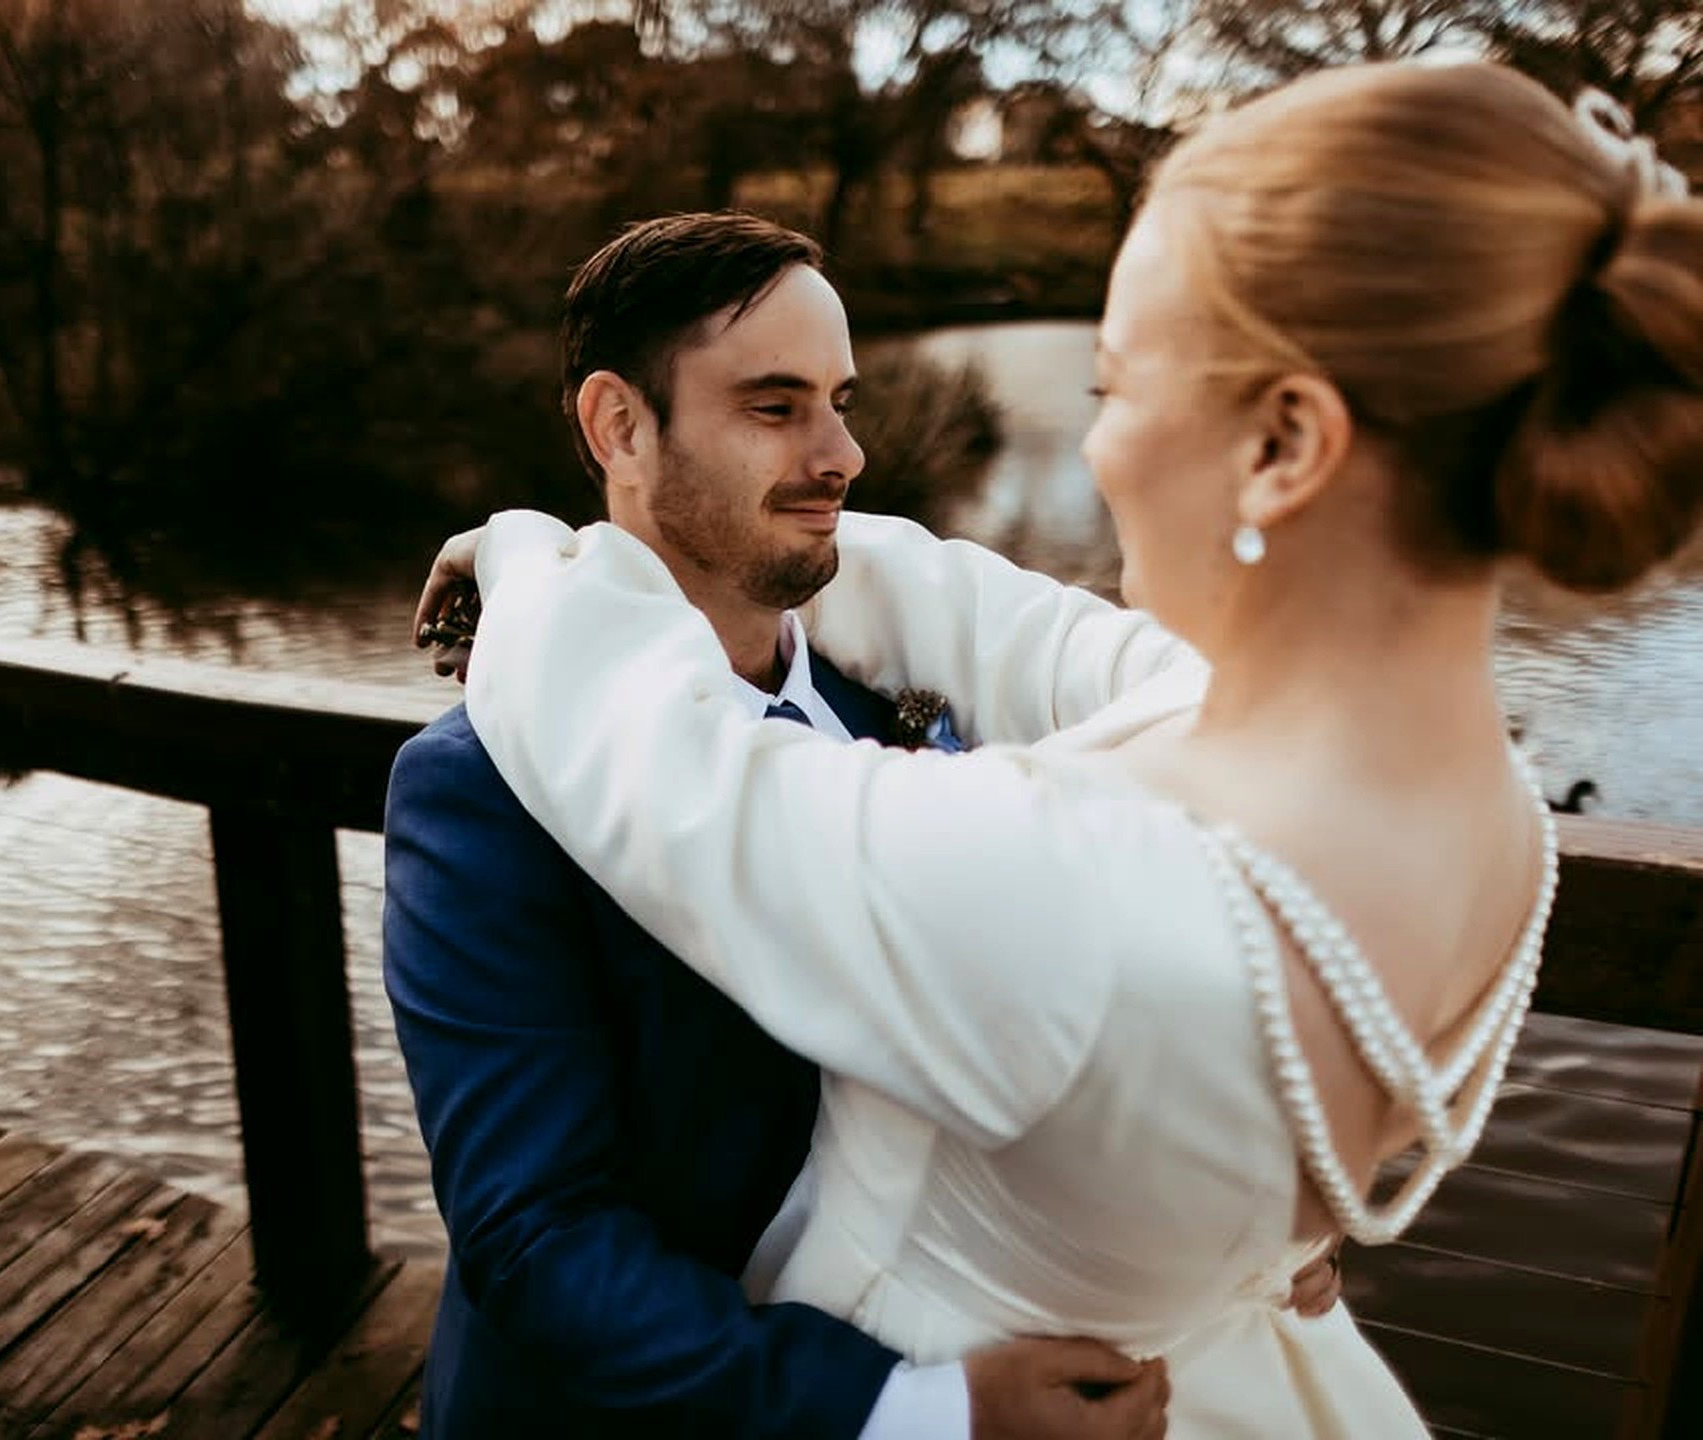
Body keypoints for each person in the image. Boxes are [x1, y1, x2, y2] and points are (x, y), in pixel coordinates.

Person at [430, 64, 1703, 1436]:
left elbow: (656, 767)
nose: (1095, 448)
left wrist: (536, 562)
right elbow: (1022, 632)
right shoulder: (1481, 813)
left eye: (1115, 385)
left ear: (1285, 443)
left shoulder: (1071, 874)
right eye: (779, 405)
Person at [384, 213, 1336, 1440]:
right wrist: (917, 1410)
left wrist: (1236, 1218)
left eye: (840, 399)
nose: (845, 452)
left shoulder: (903, 695)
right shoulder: (479, 790)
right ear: (621, 426)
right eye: (776, 407)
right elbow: (537, 1236)